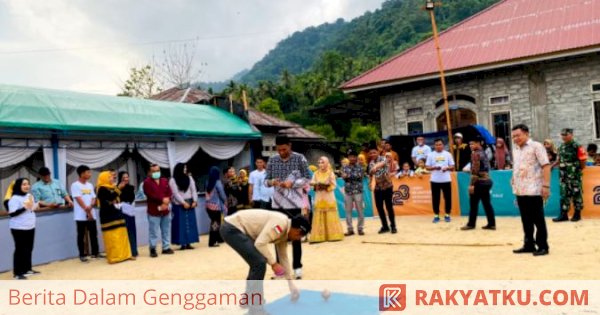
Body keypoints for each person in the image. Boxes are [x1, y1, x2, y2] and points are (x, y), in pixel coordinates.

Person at [220, 210, 309, 313]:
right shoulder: (280, 225)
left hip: (236, 230)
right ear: (297, 230)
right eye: (299, 236)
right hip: (232, 229)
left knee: (256, 263)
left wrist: (291, 285)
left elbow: (283, 257)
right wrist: (274, 264)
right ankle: (256, 310)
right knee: (259, 263)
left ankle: (248, 299)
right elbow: (260, 244)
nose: (296, 239)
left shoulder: (285, 232)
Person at [265, 135, 310, 279]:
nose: (281, 152)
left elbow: (308, 177)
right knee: (278, 237)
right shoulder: (272, 160)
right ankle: (280, 270)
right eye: (279, 150)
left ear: (290, 146)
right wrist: (272, 182)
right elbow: (265, 181)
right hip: (277, 204)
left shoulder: (300, 158)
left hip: (294, 203)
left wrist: (293, 183)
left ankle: (297, 267)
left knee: (295, 236)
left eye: (284, 149)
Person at [511, 124, 551, 256]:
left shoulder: (537, 146)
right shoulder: (516, 149)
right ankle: (528, 244)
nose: (515, 138)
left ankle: (543, 246)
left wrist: (546, 185)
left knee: (538, 219)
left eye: (518, 135)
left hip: (534, 189)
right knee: (526, 219)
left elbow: (546, 166)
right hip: (520, 190)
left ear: (526, 134)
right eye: (513, 136)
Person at [96, 171, 132, 264]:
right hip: (108, 216)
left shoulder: (113, 187)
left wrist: (117, 189)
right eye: (110, 177)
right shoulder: (101, 189)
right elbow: (111, 198)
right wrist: (118, 188)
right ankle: (115, 257)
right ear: (105, 178)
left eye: (112, 177)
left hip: (118, 213)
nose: (112, 178)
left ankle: (125, 255)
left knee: (122, 235)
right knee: (112, 237)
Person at [8, 178, 40, 280]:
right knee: (20, 249)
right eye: (24, 184)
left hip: (30, 226)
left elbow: (32, 208)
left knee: (29, 248)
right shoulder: (14, 198)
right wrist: (25, 207)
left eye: (28, 184)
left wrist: (36, 205)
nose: (27, 186)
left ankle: (27, 269)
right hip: (18, 227)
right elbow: (12, 213)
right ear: (18, 186)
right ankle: (17, 273)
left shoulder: (29, 196)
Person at [461, 137, 496, 230]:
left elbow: (475, 171)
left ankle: (471, 224)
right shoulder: (484, 152)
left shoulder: (475, 154)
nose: (470, 146)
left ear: (478, 143)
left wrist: (472, 185)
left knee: (473, 204)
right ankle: (492, 224)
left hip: (479, 182)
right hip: (487, 181)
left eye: (472, 144)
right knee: (487, 204)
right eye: (470, 144)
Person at [553, 128, 586, 222]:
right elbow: (559, 160)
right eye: (562, 135)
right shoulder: (561, 147)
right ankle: (564, 215)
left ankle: (577, 214)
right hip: (563, 175)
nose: (563, 137)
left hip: (574, 175)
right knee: (564, 194)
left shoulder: (577, 146)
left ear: (571, 135)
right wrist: (552, 165)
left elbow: (583, 159)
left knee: (576, 193)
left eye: (565, 135)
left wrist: (578, 169)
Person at [309, 157, 344, 243]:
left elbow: (334, 185)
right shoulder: (316, 173)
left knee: (330, 213)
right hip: (319, 196)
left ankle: (333, 235)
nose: (321, 164)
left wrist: (326, 187)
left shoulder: (330, 173)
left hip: (328, 196)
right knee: (319, 213)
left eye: (322, 162)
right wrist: (316, 185)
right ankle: (319, 236)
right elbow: (312, 182)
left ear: (327, 163)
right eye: (319, 162)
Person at [71, 165, 101, 262]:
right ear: (82, 173)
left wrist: (91, 206)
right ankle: (82, 255)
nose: (90, 174)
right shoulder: (75, 185)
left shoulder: (90, 185)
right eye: (88, 172)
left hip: (91, 213)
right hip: (80, 216)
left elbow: (93, 197)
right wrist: (87, 210)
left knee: (93, 234)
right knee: (81, 235)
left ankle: (95, 253)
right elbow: (78, 199)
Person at [143, 164, 174, 258]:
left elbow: (170, 192)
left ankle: (166, 247)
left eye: (158, 170)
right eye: (154, 171)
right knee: (153, 232)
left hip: (165, 210)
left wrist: (167, 201)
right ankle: (152, 249)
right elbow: (150, 194)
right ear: (149, 172)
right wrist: (162, 200)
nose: (156, 173)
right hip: (153, 211)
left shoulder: (164, 181)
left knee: (166, 230)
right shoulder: (147, 182)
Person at [368, 143, 397, 234]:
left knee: (389, 207)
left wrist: (376, 167)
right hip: (378, 189)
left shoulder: (384, 158)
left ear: (378, 152)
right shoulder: (370, 163)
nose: (372, 154)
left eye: (374, 152)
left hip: (387, 187)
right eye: (371, 153)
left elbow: (384, 163)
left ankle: (393, 226)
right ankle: (385, 226)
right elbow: (371, 175)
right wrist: (370, 184)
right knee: (379, 207)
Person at [169, 163, 199, 250]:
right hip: (179, 204)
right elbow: (175, 193)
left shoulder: (189, 178)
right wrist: (183, 203)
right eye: (184, 168)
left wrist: (195, 201)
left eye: (186, 167)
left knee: (190, 223)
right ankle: (182, 243)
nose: (185, 169)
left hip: (190, 202)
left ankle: (189, 242)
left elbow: (194, 190)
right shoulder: (173, 180)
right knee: (180, 224)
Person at [426, 139, 455, 223]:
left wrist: (447, 168)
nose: (438, 146)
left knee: (447, 198)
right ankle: (436, 215)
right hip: (435, 180)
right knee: (435, 198)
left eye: (440, 144)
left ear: (443, 145)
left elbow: (452, 166)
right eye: (436, 145)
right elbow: (427, 167)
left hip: (446, 179)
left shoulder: (448, 154)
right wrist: (434, 167)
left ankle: (447, 215)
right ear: (434, 146)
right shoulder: (430, 155)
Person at [340, 149, 365, 236]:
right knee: (348, 211)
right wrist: (346, 176)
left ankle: (360, 228)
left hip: (358, 191)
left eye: (354, 157)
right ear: (348, 157)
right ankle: (350, 229)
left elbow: (359, 176)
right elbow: (343, 176)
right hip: (348, 191)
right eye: (350, 157)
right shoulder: (344, 167)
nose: (352, 158)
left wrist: (347, 176)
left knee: (360, 211)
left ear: (356, 157)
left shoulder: (360, 167)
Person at [117, 171, 138, 257]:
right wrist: (118, 188)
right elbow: (116, 199)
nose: (126, 179)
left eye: (127, 177)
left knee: (132, 230)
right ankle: (125, 251)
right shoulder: (117, 187)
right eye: (124, 177)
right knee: (124, 230)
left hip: (130, 208)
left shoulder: (131, 187)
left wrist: (131, 207)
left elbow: (133, 198)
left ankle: (133, 251)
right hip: (121, 209)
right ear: (120, 178)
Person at [205, 166, 226, 247]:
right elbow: (222, 194)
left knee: (215, 222)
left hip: (208, 206)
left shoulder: (207, 181)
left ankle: (219, 238)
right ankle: (212, 242)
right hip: (216, 206)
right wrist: (225, 200)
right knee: (216, 224)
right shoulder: (217, 182)